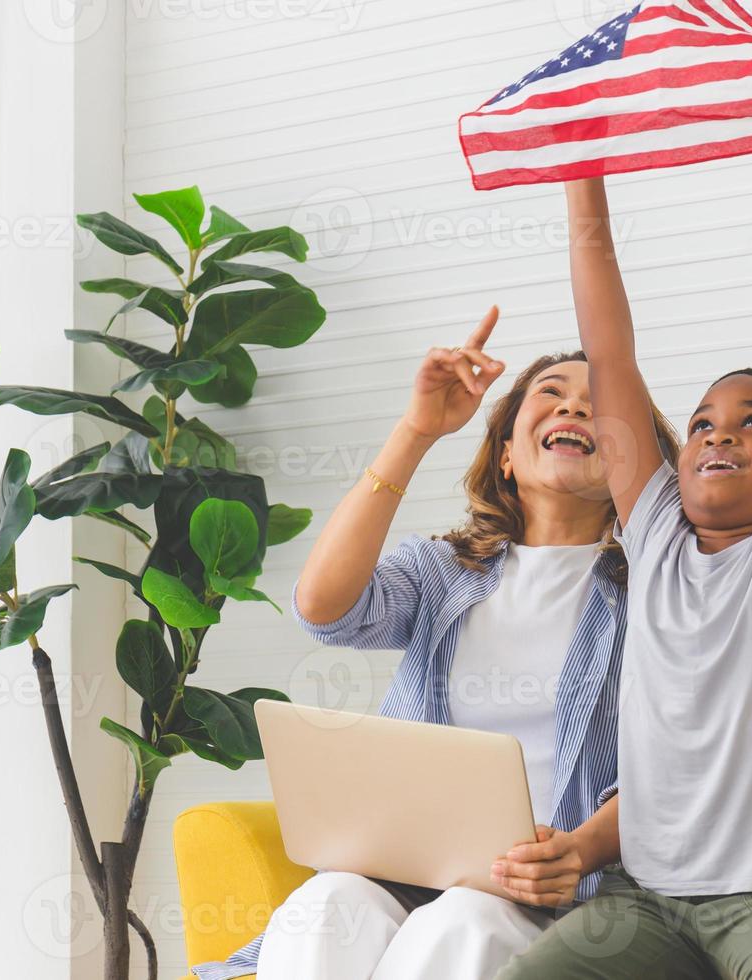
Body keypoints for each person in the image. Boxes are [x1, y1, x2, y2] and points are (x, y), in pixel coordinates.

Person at [496, 32, 752, 980]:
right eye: (700, 423)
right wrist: (583, 160)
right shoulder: (651, 534)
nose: (718, 435)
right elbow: (609, 348)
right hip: (644, 905)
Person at [190, 307, 681, 980]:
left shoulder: (656, 600)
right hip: (402, 870)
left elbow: (672, 768)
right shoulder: (442, 572)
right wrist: (418, 430)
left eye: (599, 407)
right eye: (553, 394)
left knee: (459, 925)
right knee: (322, 907)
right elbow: (324, 610)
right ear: (507, 454)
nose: (573, 407)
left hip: (550, 898)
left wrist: (577, 851)